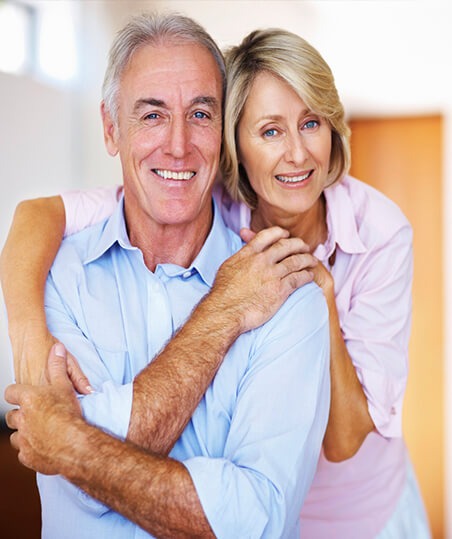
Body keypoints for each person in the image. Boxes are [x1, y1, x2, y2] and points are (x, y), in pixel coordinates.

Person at [2, 21, 431, 539]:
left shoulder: (373, 236)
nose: (297, 153)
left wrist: (319, 291)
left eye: (312, 123)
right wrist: (26, 336)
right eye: (270, 130)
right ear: (236, 147)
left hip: (362, 510)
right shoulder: (202, 199)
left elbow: (332, 452)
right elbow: (35, 215)